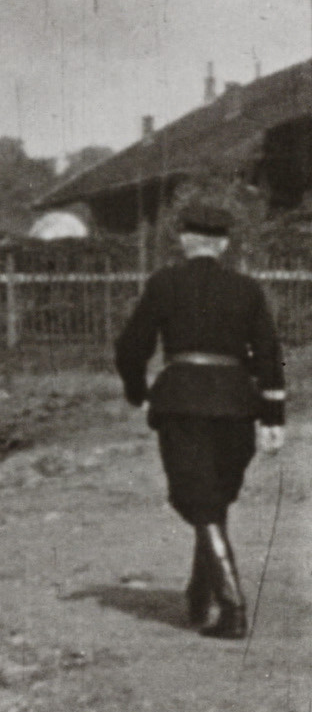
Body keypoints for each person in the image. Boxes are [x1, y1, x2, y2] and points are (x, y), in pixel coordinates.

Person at [114, 203, 287, 639]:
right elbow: (269, 353)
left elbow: (131, 347)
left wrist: (137, 390)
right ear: (224, 244)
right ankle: (199, 592)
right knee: (213, 498)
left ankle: (232, 607)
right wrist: (273, 415)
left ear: (185, 241)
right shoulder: (247, 289)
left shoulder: (165, 283)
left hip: (183, 402)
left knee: (197, 499)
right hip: (236, 404)